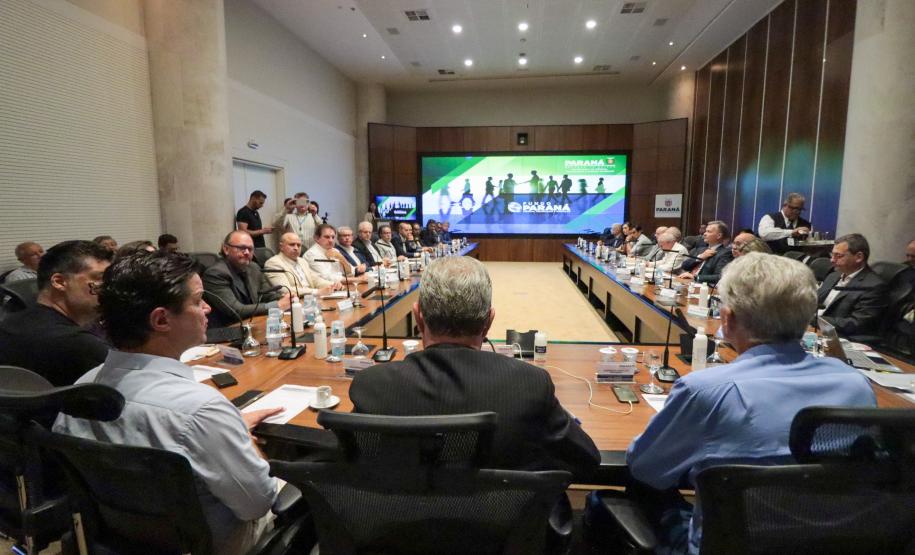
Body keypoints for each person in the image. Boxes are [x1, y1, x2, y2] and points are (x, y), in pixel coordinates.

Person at [623, 253, 877, 554]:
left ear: (728, 319)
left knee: (627, 499)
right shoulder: (855, 384)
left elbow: (645, 468)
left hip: (727, 543)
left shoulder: (707, 389)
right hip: (830, 541)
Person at [53, 252, 281, 554]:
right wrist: (243, 435)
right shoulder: (202, 411)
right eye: (198, 301)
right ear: (161, 319)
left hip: (119, 540)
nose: (208, 309)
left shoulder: (79, 389)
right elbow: (257, 503)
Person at [349, 256, 600, 476]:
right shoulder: (530, 385)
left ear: (418, 317)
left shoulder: (371, 386)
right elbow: (587, 458)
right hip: (503, 527)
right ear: (489, 321)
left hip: (392, 526)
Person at [0, 240, 112, 385]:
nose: (109, 289)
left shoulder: (8, 323)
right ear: (59, 282)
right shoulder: (80, 345)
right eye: (100, 279)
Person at [202, 230, 289, 327]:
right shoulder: (215, 274)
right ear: (226, 249)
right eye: (242, 248)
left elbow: (267, 294)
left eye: (250, 249)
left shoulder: (253, 267)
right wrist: (276, 305)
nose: (247, 252)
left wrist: (285, 298)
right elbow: (236, 310)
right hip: (228, 331)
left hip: (253, 324)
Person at [816, 233, 887, 338]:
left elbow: (856, 323)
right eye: (832, 255)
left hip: (842, 337)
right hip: (817, 331)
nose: (832, 260)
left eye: (838, 256)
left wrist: (815, 320)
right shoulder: (833, 276)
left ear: (859, 257)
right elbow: (815, 302)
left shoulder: (874, 286)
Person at [264, 233, 340, 297]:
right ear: (281, 247)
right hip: (294, 303)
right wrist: (316, 292)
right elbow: (285, 290)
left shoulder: (302, 261)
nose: (296, 248)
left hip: (312, 299)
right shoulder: (273, 263)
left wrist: (333, 285)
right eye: (292, 245)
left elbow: (315, 280)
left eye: (299, 245)